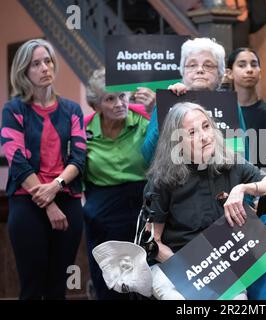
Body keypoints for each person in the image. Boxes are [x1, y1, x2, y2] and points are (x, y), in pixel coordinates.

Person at [143, 102, 266, 299]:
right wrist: (195, 273)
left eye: (206, 126)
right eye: (192, 133)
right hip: (175, 262)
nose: (204, 137)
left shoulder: (231, 163)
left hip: (223, 262)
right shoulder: (162, 179)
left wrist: (242, 188)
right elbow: (154, 243)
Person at [0, 39, 86, 299]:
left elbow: (79, 158)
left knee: (58, 287)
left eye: (47, 61)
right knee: (32, 287)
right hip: (27, 203)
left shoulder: (72, 109)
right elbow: (17, 160)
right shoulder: (13, 109)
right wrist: (48, 202)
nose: (44, 68)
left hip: (67, 199)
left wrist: (56, 186)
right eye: (36, 64)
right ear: (24, 71)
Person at [83, 68, 155, 299]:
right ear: (96, 105)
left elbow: (167, 152)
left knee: (144, 280)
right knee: (108, 282)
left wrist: (156, 111)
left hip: (141, 209)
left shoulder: (144, 121)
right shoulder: (84, 130)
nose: (119, 103)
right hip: (102, 214)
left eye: (123, 96)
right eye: (110, 99)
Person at [141, 37, 247, 164]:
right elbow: (148, 155)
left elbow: (241, 154)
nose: (200, 69)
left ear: (219, 74)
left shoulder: (229, 104)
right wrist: (168, 106)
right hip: (176, 180)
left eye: (208, 65)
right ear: (183, 72)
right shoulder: (168, 100)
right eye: (192, 65)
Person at [226, 47, 266, 172]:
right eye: (242, 65)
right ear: (229, 73)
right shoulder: (223, 113)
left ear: (260, 72)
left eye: (254, 65)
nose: (249, 70)